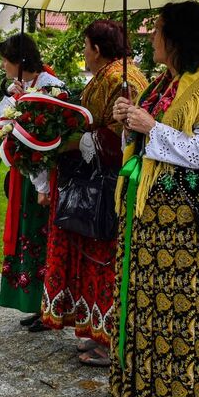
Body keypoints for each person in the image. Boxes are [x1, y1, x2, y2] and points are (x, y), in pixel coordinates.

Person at [110, 1, 199, 397]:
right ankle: (146, 396)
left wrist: (150, 127)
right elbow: (147, 141)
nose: (151, 37)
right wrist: (127, 122)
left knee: (184, 315)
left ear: (178, 35)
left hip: (186, 228)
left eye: (158, 30)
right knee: (150, 313)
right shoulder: (166, 81)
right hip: (151, 223)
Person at [42, 21, 148, 366]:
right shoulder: (109, 76)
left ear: (98, 49)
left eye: (85, 47)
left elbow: (125, 136)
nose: (84, 54)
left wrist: (77, 140)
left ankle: (110, 337)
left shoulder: (123, 78)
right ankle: (96, 329)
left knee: (106, 259)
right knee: (93, 256)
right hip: (96, 180)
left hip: (111, 184)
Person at [0, 34, 65, 324]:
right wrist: (14, 97)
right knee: (28, 237)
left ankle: (46, 304)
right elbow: (0, 122)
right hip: (25, 175)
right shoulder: (22, 87)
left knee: (41, 238)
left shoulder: (50, 86)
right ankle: (34, 302)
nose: (3, 66)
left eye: (6, 60)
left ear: (20, 61)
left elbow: (46, 138)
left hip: (42, 175)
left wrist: (43, 185)